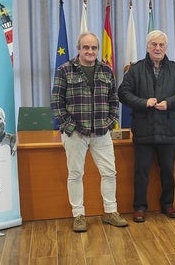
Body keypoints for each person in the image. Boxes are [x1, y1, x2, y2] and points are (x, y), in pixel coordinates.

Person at [51, 32, 128, 232]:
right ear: (79, 49)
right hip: (75, 133)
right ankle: (78, 215)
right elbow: (57, 103)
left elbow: (114, 99)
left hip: (101, 132)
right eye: (86, 47)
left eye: (94, 48)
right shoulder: (64, 70)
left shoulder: (105, 69)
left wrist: (111, 122)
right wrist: (69, 127)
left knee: (109, 172)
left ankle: (110, 212)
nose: (90, 51)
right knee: (75, 174)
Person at [118, 30, 175, 223]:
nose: (157, 48)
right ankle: (140, 207)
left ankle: (167, 204)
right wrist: (143, 102)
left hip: (168, 129)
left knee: (168, 170)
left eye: (161, 45)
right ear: (147, 47)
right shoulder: (135, 69)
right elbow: (123, 93)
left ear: (166, 48)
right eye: (154, 44)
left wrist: (169, 102)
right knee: (141, 171)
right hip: (143, 129)